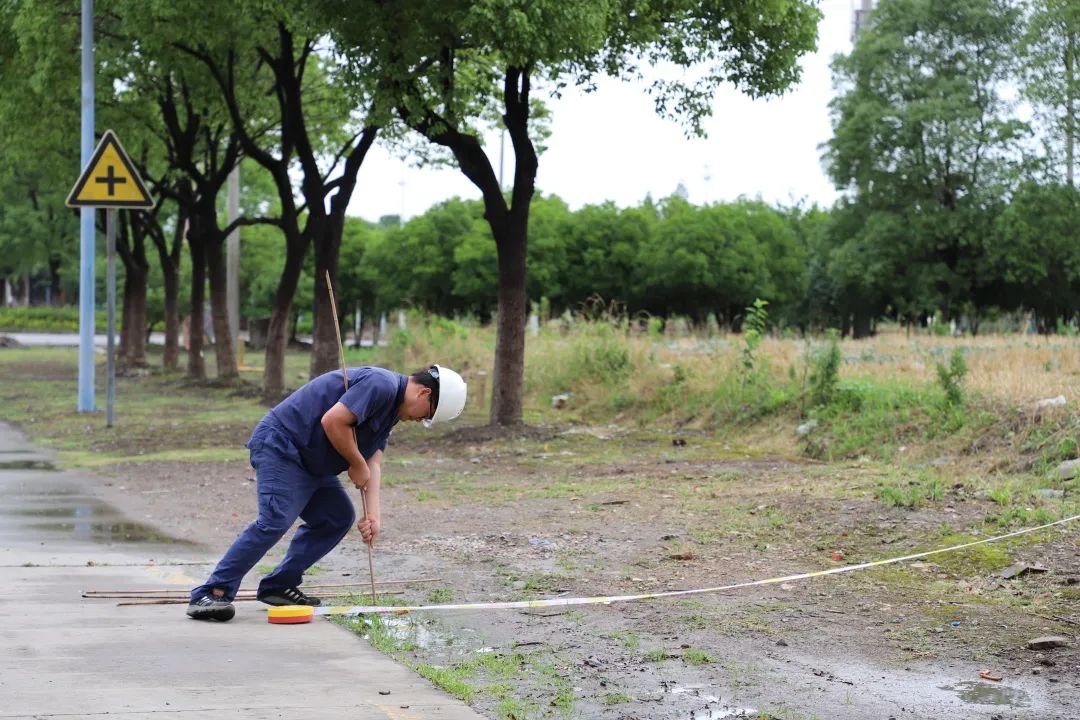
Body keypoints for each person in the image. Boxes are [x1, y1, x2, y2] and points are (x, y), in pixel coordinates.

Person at [186, 364, 467, 621]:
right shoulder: (381, 385)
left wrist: (373, 516)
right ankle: (211, 592)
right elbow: (333, 421)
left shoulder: (392, 411)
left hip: (314, 463)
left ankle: (279, 585)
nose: (420, 420)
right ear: (424, 392)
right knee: (275, 519)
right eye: (427, 414)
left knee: (337, 518)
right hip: (284, 446)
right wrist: (356, 463)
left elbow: (373, 463)